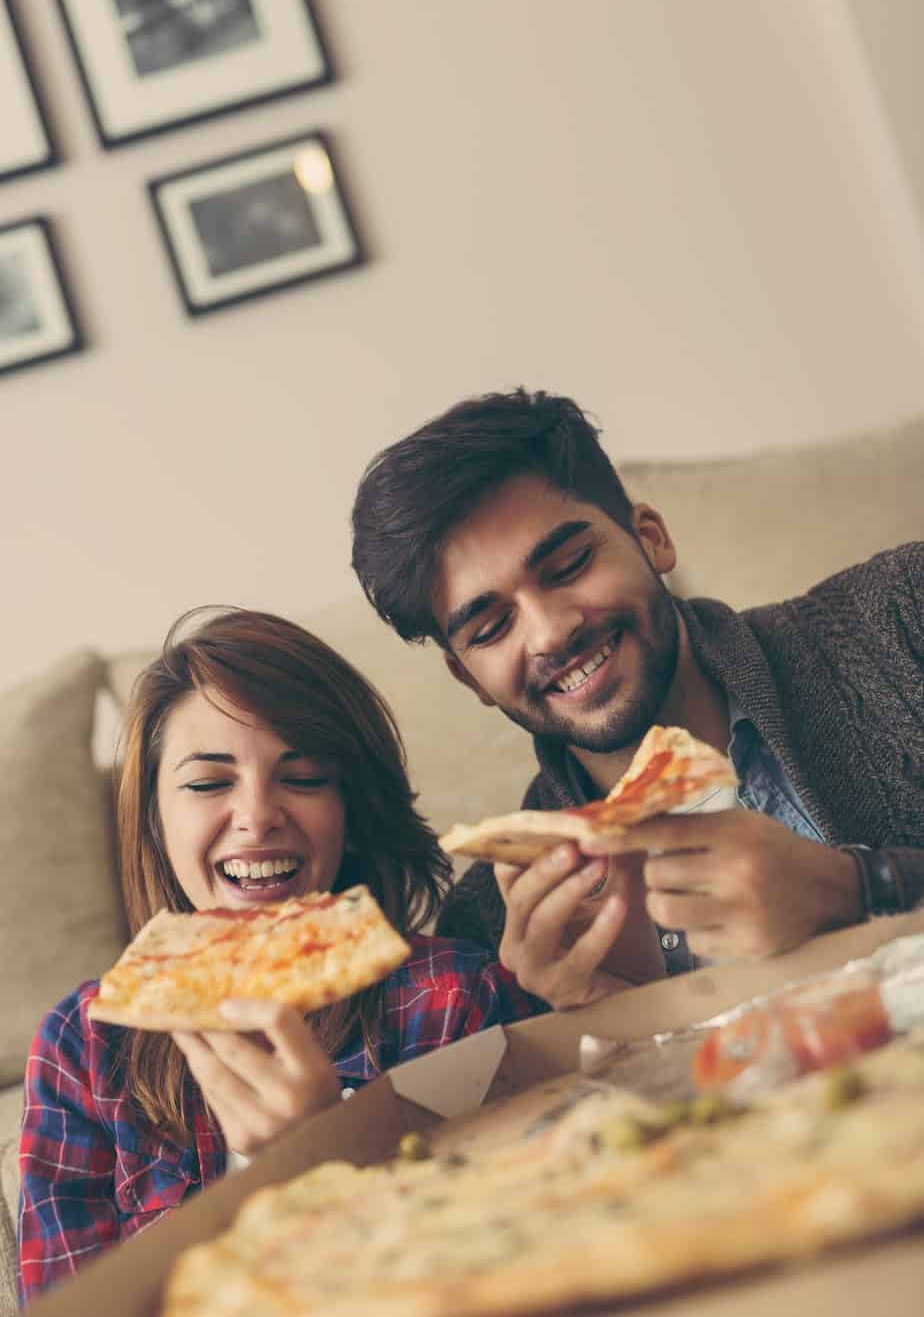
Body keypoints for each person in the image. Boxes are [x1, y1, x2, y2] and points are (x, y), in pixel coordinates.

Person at [18, 608, 541, 1303]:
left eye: (304, 776)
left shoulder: (454, 996)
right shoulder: (83, 1045)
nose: (257, 814)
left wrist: (331, 1159)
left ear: (350, 809)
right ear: (152, 817)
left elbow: (522, 1266)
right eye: (208, 783)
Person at [351, 389, 924, 1010]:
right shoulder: (492, 923)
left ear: (652, 539)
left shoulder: (902, 617)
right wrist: (610, 1011)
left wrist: (861, 888)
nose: (549, 632)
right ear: (469, 679)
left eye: (569, 565)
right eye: (490, 629)